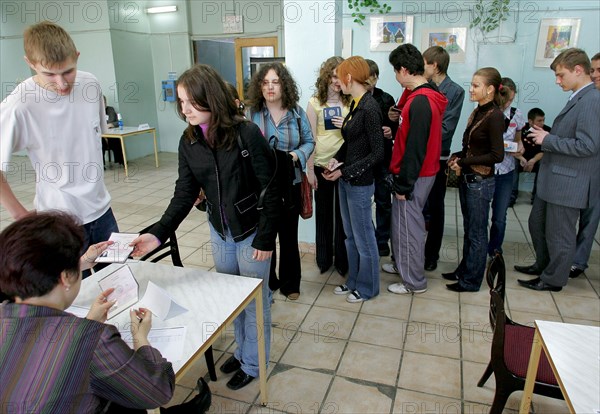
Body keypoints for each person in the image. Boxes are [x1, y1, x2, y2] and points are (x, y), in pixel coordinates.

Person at [131, 64, 279, 390]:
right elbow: (184, 193)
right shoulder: (189, 141)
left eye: (190, 102)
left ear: (209, 98)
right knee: (232, 299)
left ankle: (254, 363)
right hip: (220, 232)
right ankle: (243, 353)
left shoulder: (245, 134)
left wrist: (267, 237)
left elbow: (272, 188)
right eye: (180, 103)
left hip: (252, 233)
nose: (184, 110)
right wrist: (157, 233)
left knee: (256, 302)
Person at [0, 211, 211, 413]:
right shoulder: (92, 339)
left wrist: (88, 317)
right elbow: (159, 390)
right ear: (65, 278)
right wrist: (140, 339)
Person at [0, 21, 118, 278]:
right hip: (60, 221)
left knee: (118, 285)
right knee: (78, 299)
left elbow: (95, 133)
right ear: (30, 63)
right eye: (50, 75)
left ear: (76, 57)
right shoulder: (20, 104)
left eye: (68, 72)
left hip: (102, 212)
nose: (62, 84)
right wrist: (19, 213)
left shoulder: (90, 85)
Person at [515, 48, 600, 291]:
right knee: (537, 223)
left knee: (559, 235)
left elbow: (588, 145)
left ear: (578, 70)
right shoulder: (578, 97)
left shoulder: (592, 100)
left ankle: (553, 279)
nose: (557, 80)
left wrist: (548, 140)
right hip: (554, 178)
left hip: (569, 182)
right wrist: (546, 137)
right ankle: (544, 265)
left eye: (561, 75)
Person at [246, 62, 315, 300]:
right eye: (265, 82)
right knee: (265, 234)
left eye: (275, 82)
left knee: (288, 236)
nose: (270, 87)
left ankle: (290, 283)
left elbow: (309, 141)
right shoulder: (252, 114)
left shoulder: (296, 112)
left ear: (284, 85)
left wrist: (296, 156)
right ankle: (269, 282)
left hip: (290, 184)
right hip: (260, 187)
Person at [385, 44, 448, 295]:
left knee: (409, 228)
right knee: (403, 226)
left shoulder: (421, 101)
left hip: (415, 175)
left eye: (395, 71)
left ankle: (413, 281)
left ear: (403, 70)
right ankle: (404, 266)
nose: (396, 76)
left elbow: (415, 149)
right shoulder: (425, 95)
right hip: (420, 174)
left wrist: (403, 184)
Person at [323, 56, 384, 303]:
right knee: (350, 236)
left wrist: (345, 171)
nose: (337, 82)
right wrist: (336, 160)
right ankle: (354, 280)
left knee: (364, 238)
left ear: (349, 77)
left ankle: (368, 288)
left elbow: (377, 152)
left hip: (359, 183)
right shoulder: (357, 104)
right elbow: (351, 143)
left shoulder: (370, 107)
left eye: (339, 76)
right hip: (347, 179)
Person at [444, 67, 504, 292]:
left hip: (480, 181)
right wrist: (458, 156)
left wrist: (465, 162)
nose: (471, 89)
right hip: (469, 179)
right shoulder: (479, 111)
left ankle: (471, 281)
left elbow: (497, 156)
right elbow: (471, 147)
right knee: (470, 229)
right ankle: (464, 270)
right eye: (471, 84)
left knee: (478, 233)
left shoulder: (495, 116)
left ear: (489, 89)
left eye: (476, 85)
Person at [422, 46, 465, 272]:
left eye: (424, 63)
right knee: (417, 208)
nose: (421, 67)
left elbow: (446, 128)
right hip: (419, 156)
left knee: (436, 207)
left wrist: (418, 131)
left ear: (434, 65)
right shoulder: (421, 87)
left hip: (438, 156)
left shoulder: (455, 91)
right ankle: (413, 252)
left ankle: (431, 255)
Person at [306, 56, 350, 275]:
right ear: (326, 77)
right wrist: (309, 170)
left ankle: (343, 261)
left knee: (343, 216)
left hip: (344, 166)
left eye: (339, 76)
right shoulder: (314, 103)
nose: (336, 80)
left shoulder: (352, 102)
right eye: (332, 75)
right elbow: (310, 139)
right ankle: (323, 259)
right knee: (323, 215)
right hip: (322, 165)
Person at [487, 78, 526, 257]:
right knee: (479, 216)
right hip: (486, 170)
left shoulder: (517, 114)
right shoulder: (486, 111)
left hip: (506, 171)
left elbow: (518, 141)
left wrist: (519, 149)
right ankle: (478, 250)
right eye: (505, 98)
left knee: (499, 217)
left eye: (511, 99)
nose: (507, 103)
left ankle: (495, 250)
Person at [570, 52, 600, 279]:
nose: (595, 76)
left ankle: (578, 260)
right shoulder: (590, 98)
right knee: (588, 216)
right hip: (589, 169)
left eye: (599, 71)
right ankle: (577, 261)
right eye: (594, 71)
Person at [365, 59, 398, 257]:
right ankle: (368, 235)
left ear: (376, 78)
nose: (368, 81)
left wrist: (390, 131)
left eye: (372, 77)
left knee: (384, 200)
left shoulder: (387, 99)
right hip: (363, 158)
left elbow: (398, 127)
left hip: (384, 157)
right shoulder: (353, 99)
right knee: (362, 201)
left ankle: (382, 239)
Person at [511, 108, 551, 205]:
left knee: (544, 164)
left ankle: (536, 198)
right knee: (512, 163)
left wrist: (533, 160)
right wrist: (521, 158)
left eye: (543, 120)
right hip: (521, 159)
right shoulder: (520, 130)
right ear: (530, 121)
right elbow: (512, 147)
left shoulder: (547, 131)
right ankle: (511, 196)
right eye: (539, 121)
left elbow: (545, 151)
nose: (542, 123)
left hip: (537, 160)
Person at [102, 95, 124, 166]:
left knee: (117, 140)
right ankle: (102, 165)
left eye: (104, 102)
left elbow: (118, 122)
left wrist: (111, 124)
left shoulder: (110, 110)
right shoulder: (94, 112)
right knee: (100, 143)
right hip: (100, 136)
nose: (103, 104)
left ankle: (121, 161)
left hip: (111, 134)